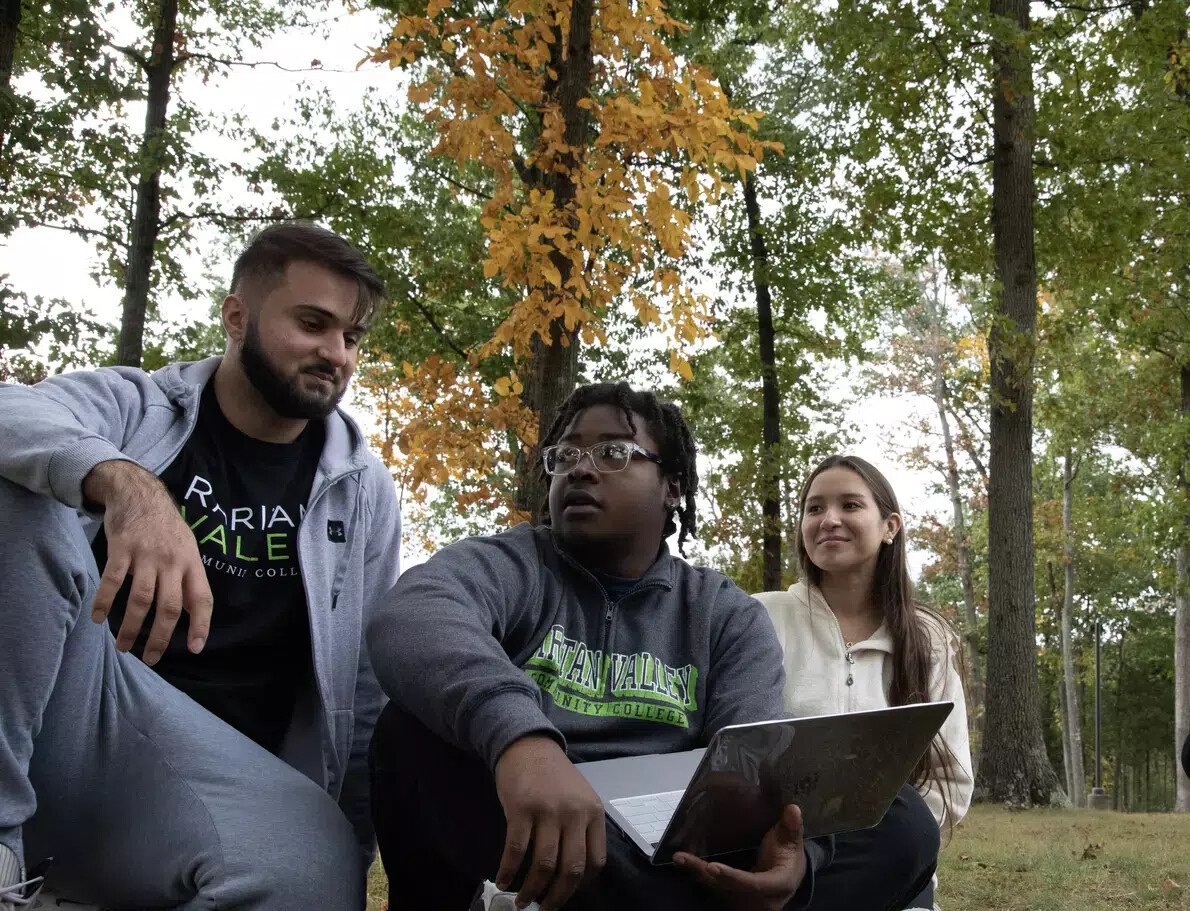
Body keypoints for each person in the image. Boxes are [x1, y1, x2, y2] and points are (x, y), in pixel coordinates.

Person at [367, 384, 940, 911]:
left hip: (673, 841)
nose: (580, 471)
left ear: (672, 487)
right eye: (565, 456)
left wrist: (794, 856)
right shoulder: (513, 566)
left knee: (902, 819)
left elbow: (752, 760)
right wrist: (523, 744)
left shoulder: (724, 614)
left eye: (613, 453)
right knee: (408, 732)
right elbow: (412, 614)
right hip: (541, 828)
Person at [0, 223, 401, 910]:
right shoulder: (136, 406)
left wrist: (352, 849)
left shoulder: (363, 490)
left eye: (352, 337)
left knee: (312, 864)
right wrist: (127, 483)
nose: (335, 353)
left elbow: (364, 695)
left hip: (212, 776)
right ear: (236, 316)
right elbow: (10, 410)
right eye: (313, 323)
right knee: (18, 490)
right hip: (72, 704)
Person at [754, 455, 974, 909]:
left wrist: (882, 844)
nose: (829, 520)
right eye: (814, 509)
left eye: (850, 505)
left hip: (879, 855)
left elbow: (947, 781)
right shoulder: (759, 617)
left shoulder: (926, 638)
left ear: (890, 526)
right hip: (772, 850)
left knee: (910, 818)